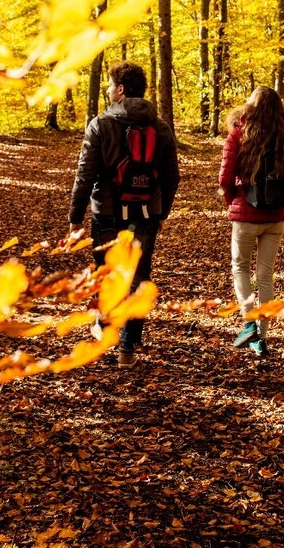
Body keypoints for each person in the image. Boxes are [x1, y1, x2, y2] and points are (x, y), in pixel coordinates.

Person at [69, 61, 180, 368]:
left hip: (106, 211)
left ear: (120, 89)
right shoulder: (160, 127)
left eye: (109, 85)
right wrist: (162, 212)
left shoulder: (100, 124)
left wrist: (75, 215)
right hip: (145, 212)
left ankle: (106, 329)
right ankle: (127, 347)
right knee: (138, 276)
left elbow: (85, 173)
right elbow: (172, 176)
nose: (106, 90)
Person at [218, 85, 284, 358]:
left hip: (246, 213)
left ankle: (249, 322)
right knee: (265, 275)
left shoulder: (239, 133)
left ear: (252, 107)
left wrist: (231, 199)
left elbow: (225, 177)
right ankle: (261, 339)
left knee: (240, 268)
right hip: (275, 216)